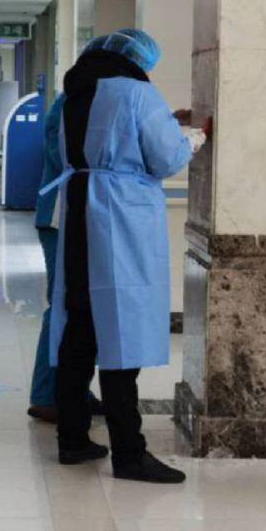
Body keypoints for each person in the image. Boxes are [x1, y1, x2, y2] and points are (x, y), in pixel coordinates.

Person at [48, 28, 207, 483]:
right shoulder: (137, 92)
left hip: (80, 206)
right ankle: (130, 453)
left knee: (80, 323)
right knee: (122, 325)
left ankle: (73, 438)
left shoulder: (74, 92)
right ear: (138, 59)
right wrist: (193, 138)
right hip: (121, 213)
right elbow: (164, 158)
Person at [27, 92, 103, 423]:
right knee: (61, 307)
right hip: (60, 217)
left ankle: (73, 389)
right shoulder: (69, 104)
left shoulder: (84, 100)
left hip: (75, 217)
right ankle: (46, 395)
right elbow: (74, 153)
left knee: (79, 309)